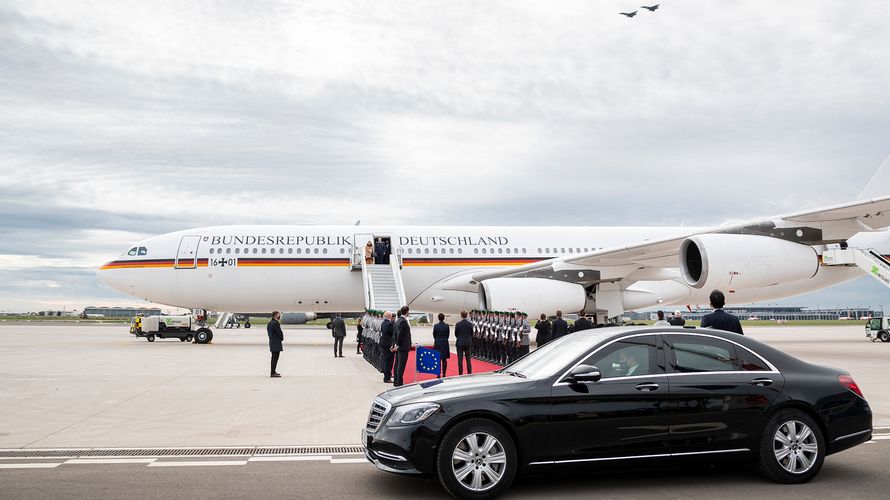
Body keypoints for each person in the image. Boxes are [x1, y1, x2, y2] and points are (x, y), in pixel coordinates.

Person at [392, 306, 412, 386]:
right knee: (401, 365)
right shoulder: (403, 321)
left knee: (397, 363)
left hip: (399, 346)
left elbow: (395, 334)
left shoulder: (397, 321)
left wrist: (394, 344)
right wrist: (398, 344)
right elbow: (400, 334)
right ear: (407, 312)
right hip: (403, 347)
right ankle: (399, 383)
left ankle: (396, 381)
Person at [454, 310, 474, 375]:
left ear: (461, 316)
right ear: (467, 315)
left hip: (460, 343)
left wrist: (460, 338)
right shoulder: (470, 324)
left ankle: (460, 373)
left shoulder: (458, 324)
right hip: (468, 343)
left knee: (460, 359)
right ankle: (469, 373)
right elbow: (472, 333)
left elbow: (456, 334)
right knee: (468, 359)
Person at [432, 313, 450, 378]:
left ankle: (438, 374)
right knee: (444, 360)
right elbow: (448, 335)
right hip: (445, 343)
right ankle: (444, 373)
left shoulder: (436, 326)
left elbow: (434, 335)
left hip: (437, 343)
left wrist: (437, 339)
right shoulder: (447, 326)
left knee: (438, 359)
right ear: (444, 318)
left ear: (438, 318)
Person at [267, 311, 284, 378]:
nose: (279, 316)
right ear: (276, 315)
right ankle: (273, 372)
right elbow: (279, 332)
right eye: (279, 315)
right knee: (275, 358)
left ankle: (273, 371)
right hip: (276, 342)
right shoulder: (275, 323)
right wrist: (281, 338)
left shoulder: (270, 323)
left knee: (273, 358)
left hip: (272, 342)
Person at [380, 311, 395, 383]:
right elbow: (393, 334)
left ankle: (387, 375)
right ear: (390, 316)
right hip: (388, 344)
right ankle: (387, 377)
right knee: (389, 361)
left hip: (383, 343)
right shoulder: (390, 324)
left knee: (386, 360)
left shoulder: (383, 323)